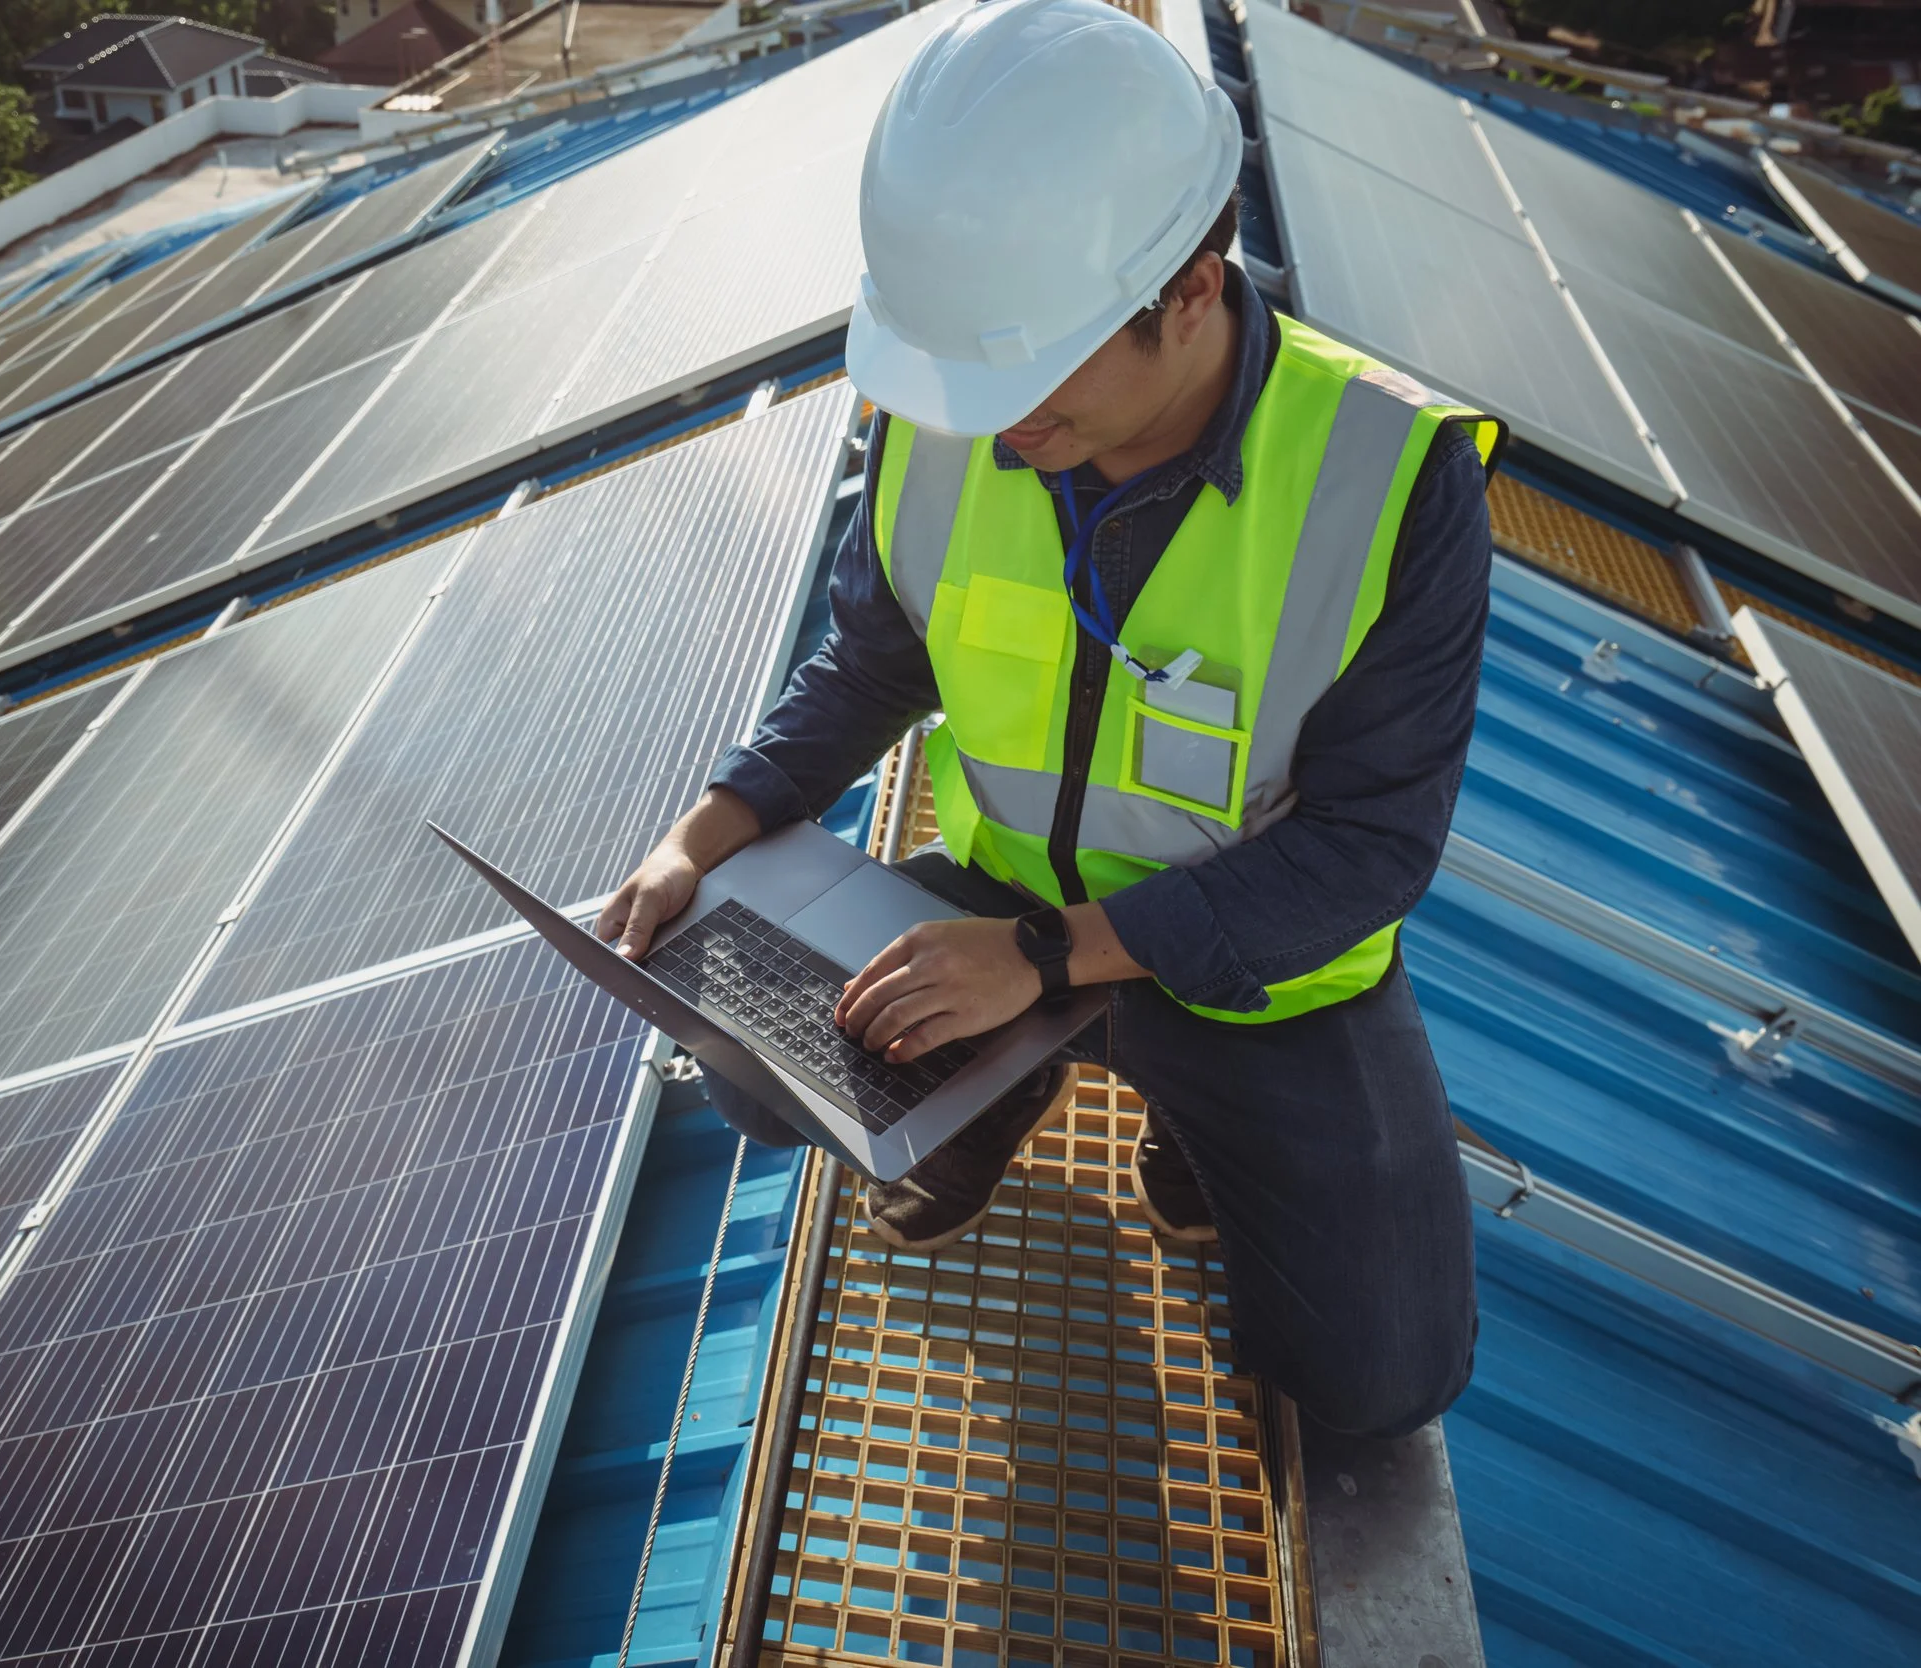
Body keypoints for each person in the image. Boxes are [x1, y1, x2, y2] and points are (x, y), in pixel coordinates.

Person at [595, 0, 1497, 1439]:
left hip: (1250, 978)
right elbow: (870, 665)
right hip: (1003, 908)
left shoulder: (1390, 478)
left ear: (1192, 287)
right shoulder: (962, 406)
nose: (996, 425)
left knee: (1381, 1382)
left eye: (1030, 378)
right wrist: (700, 838)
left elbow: (1366, 854)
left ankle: (1183, 1124)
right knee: (745, 1058)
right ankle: (998, 1084)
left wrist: (1034, 960)